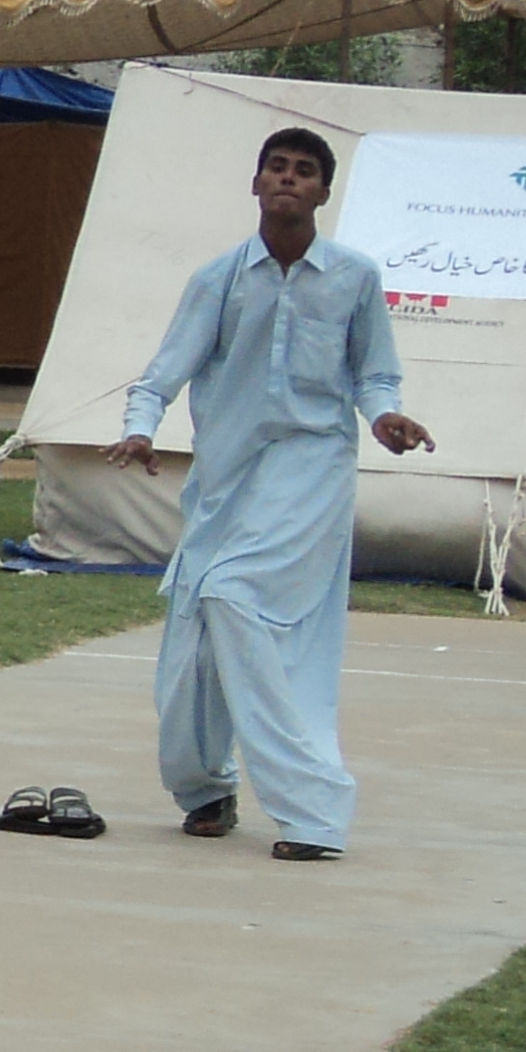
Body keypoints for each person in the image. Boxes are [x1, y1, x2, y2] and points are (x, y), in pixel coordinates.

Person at [109, 126, 432, 861]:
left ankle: (313, 812)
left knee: (234, 597)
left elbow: (375, 374)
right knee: (195, 641)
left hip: (311, 468)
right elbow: (161, 375)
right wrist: (139, 428)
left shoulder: (353, 277)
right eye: (277, 168)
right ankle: (204, 786)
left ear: (323, 190)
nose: (288, 179)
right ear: (256, 184)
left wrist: (386, 417)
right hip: (226, 478)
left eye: (304, 171)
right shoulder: (219, 279)